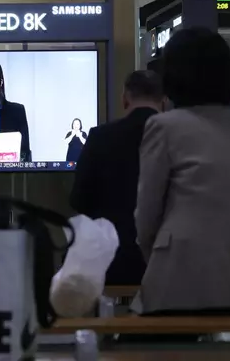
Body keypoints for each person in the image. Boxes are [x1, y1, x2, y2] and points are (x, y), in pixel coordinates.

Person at [135, 27, 230, 316]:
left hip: (183, 271)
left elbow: (147, 215)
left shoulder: (164, 127)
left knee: (140, 345)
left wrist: (157, 260)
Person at [70, 70, 164, 286]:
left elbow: (78, 200)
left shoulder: (100, 137)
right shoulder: (176, 136)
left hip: (112, 259)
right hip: (163, 259)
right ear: (163, 101)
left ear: (125, 98)